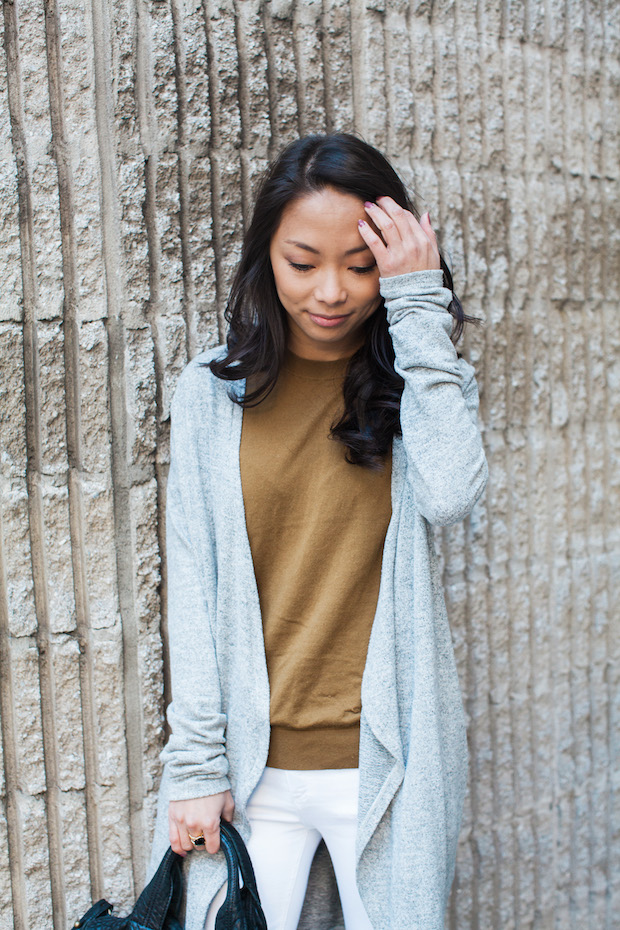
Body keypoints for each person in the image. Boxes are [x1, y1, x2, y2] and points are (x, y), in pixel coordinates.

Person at [149, 133, 488, 930]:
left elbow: (450, 498)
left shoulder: (419, 381)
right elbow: (193, 583)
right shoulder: (211, 394)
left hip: (390, 764)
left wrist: (416, 307)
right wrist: (194, 766)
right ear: (267, 254)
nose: (332, 291)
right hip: (248, 771)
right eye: (303, 263)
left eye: (362, 265)